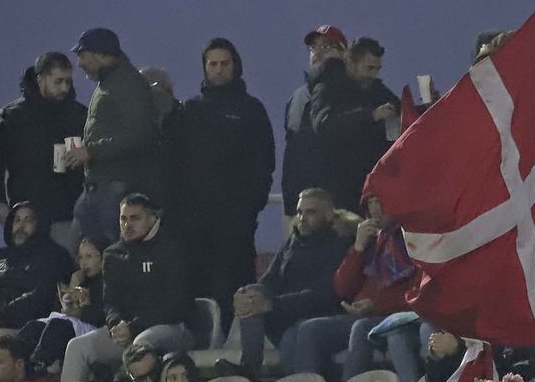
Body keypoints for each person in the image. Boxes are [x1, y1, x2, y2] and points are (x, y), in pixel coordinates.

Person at [169, 37, 275, 312]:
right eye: (212, 64)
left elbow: (264, 162)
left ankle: (241, 347)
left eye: (224, 63)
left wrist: (251, 204)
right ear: (204, 67)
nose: (218, 69)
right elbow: (175, 162)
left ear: (235, 66)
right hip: (195, 222)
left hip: (236, 221)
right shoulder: (189, 111)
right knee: (199, 290)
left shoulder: (251, 110)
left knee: (236, 286)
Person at [288, 196, 421, 382]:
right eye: (370, 203)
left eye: (380, 200)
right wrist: (358, 248)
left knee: (361, 327)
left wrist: (375, 307)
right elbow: (342, 288)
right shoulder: (371, 241)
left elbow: (419, 293)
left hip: (396, 318)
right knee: (309, 329)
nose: (375, 208)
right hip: (364, 314)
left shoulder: (413, 238)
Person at [61, 193, 193, 382]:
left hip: (172, 329)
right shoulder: (113, 254)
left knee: (140, 345)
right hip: (127, 331)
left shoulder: (171, 249)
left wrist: (133, 327)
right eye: (123, 218)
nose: (127, 224)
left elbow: (178, 305)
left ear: (152, 219)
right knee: (77, 347)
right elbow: (110, 301)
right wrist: (116, 324)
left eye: (135, 218)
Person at [236, 188, 350, 377]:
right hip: (284, 315)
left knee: (293, 338)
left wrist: (273, 304)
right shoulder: (292, 243)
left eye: (310, 212)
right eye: (299, 212)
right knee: (252, 292)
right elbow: (269, 281)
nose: (302, 217)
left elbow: (325, 294)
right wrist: (248, 296)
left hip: (319, 316)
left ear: (329, 215)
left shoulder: (340, 245)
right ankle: (250, 368)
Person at [67, 28, 162, 241]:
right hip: (100, 185)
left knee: (110, 248)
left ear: (101, 55)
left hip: (115, 186)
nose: (79, 64)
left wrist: (91, 151)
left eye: (83, 56)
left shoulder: (126, 85)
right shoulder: (111, 83)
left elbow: (137, 134)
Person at [0, 51, 88, 250]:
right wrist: (0, 206)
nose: (64, 88)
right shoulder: (13, 118)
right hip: (26, 219)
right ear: (40, 79)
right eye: (58, 81)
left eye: (68, 82)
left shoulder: (78, 116)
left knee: (64, 275)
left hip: (65, 216)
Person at [310, 37, 399, 210]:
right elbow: (324, 125)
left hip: (369, 188)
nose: (374, 74)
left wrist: (430, 106)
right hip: (339, 190)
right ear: (350, 62)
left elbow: (400, 110)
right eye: (369, 68)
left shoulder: (375, 89)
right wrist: (370, 116)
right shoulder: (328, 87)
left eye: (377, 69)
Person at [283, 25, 348, 222]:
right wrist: (290, 201)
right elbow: (292, 151)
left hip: (344, 205)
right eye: (314, 47)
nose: (318, 53)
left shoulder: (352, 90)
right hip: (304, 207)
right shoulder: (298, 97)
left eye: (327, 46)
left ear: (344, 53)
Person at [19, 234, 108, 377]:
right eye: (81, 257)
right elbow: (61, 308)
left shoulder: (108, 280)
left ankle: (34, 369)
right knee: (33, 327)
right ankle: (13, 363)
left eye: (89, 256)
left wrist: (79, 312)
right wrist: (74, 284)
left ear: (103, 257)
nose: (84, 262)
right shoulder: (80, 279)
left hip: (95, 328)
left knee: (57, 325)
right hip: (73, 322)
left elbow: (104, 312)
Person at [0, 201, 78, 334]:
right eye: (17, 220)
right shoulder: (0, 255)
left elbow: (40, 296)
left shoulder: (54, 255)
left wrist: (0, 317)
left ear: (39, 224)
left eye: (28, 220)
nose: (20, 226)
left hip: (24, 327)